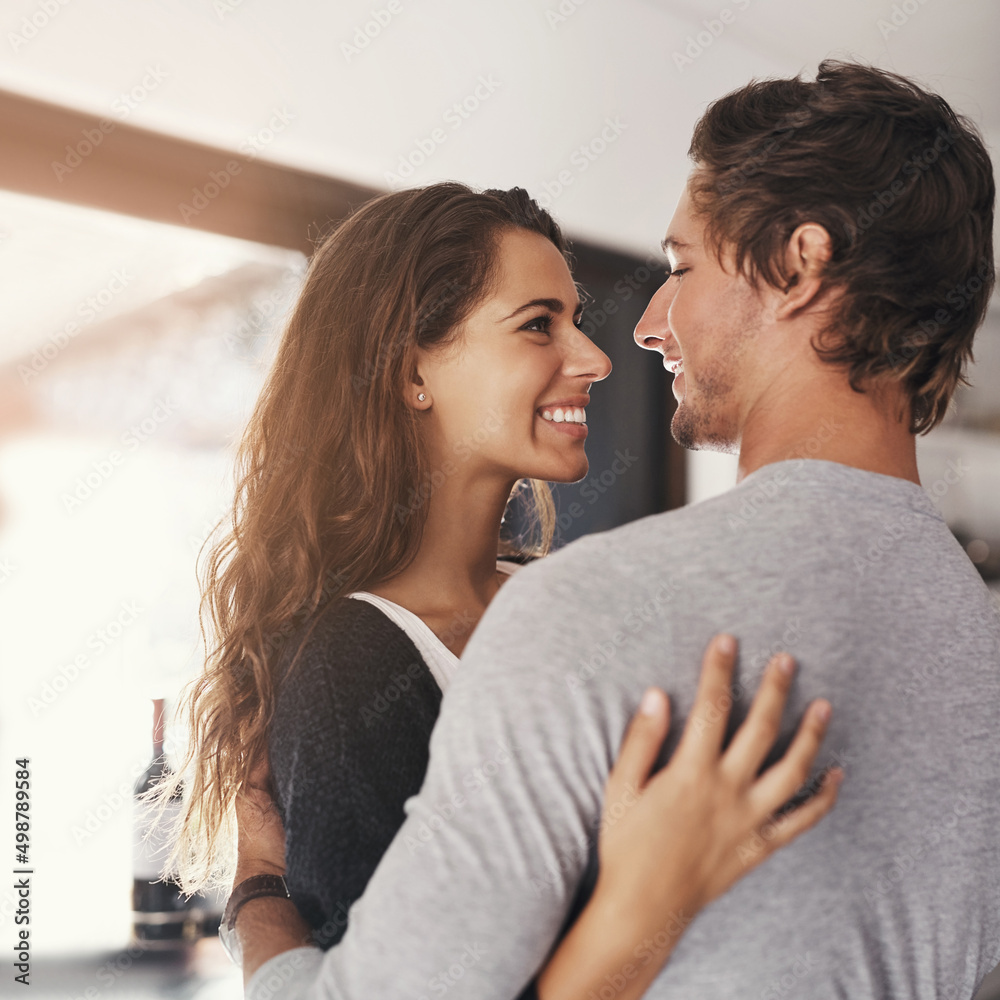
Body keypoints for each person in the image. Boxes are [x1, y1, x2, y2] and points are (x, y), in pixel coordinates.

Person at [233, 59, 1000, 999]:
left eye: (681, 268)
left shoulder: (588, 611)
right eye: (538, 324)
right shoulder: (979, 638)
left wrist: (257, 896)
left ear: (800, 266)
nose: (639, 329)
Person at [159, 180, 840, 999]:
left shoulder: (563, 603)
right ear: (413, 371)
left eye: (575, 321)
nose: (594, 359)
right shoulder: (351, 663)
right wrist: (258, 890)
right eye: (538, 326)